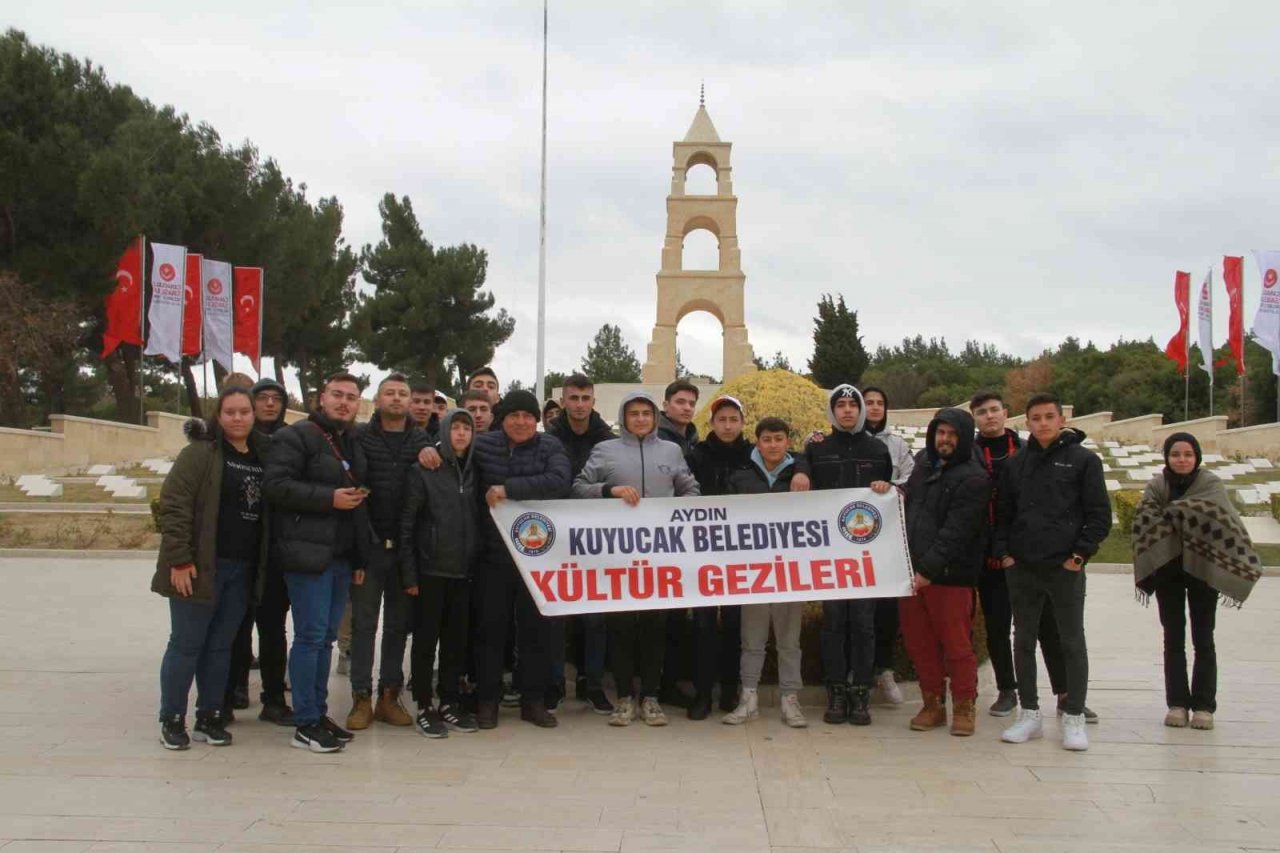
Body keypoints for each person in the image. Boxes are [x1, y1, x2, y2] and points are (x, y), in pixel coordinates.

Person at [573, 391, 700, 727]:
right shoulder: (605, 450)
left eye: (646, 413)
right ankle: (625, 698)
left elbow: (691, 490)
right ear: (624, 418)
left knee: (656, 628)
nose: (641, 419)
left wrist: (675, 510)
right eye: (634, 414)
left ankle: (652, 697)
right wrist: (609, 491)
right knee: (621, 628)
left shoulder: (671, 451)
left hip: (661, 555)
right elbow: (579, 487)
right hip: (618, 557)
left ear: (655, 417)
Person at [264, 371, 373, 753]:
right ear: (321, 398)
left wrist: (359, 557)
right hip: (307, 555)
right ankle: (305, 722)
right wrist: (329, 498)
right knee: (310, 637)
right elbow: (276, 486)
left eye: (351, 397)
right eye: (337, 395)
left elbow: (358, 502)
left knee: (325, 639)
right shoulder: (296, 436)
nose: (344, 402)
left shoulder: (352, 440)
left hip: (341, 556)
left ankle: (319, 713)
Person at [994, 393, 1109, 752]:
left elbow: (1098, 515)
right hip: (1022, 567)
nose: (1042, 423)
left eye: (1049, 417)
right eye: (1036, 418)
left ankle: (1073, 715)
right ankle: (1029, 714)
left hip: (1065, 568)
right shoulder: (1015, 463)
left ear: (1061, 420)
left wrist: (1079, 555)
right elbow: (1004, 515)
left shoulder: (1084, 461)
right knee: (1023, 641)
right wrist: (1005, 555)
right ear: (1027, 423)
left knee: (1071, 641)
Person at [154, 387, 267, 750]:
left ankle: (209, 716)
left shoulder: (262, 455)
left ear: (253, 415)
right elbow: (174, 505)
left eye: (244, 411)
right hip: (200, 567)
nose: (238, 418)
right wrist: (180, 560)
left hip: (241, 569)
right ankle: (172, 719)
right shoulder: (200, 453)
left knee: (220, 647)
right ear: (218, 416)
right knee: (186, 644)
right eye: (230, 412)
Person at [1132, 433, 1262, 731]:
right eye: (1175, 454)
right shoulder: (1156, 486)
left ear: (1197, 457)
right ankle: (1177, 704)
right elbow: (1145, 520)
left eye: (1188, 454)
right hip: (1167, 570)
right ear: (1167, 457)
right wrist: (1184, 514)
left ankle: (1204, 706)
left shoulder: (1211, 485)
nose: (1181, 460)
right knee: (1173, 638)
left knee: (1204, 638)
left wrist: (1175, 512)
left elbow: (1223, 522)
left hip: (1204, 571)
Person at [968, 390, 1075, 720]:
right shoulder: (969, 454)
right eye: (982, 412)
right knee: (998, 627)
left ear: (1006, 413)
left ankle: (1065, 693)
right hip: (989, 555)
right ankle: (1007, 689)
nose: (989, 416)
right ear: (975, 418)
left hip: (1031, 554)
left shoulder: (1030, 451)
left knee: (1046, 626)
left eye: (994, 409)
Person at [471, 389, 572, 728]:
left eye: (528, 416)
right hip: (492, 553)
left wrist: (509, 489)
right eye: (514, 415)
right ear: (503, 418)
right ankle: (487, 701)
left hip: (536, 556)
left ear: (536, 420)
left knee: (536, 631)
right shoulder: (482, 445)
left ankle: (533, 701)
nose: (521, 422)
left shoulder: (550, 446)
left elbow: (559, 481)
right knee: (490, 630)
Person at [804, 384, 893, 727]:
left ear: (860, 410)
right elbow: (804, 484)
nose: (846, 410)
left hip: (865, 554)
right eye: (840, 404)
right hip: (829, 553)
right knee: (834, 623)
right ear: (832, 410)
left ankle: (861, 691)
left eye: (852, 405)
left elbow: (891, 494)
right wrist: (801, 471)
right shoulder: (817, 448)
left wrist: (886, 488)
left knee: (864, 624)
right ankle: (837, 690)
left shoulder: (877, 449)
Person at [347, 374, 431, 730]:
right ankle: (360, 698)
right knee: (364, 625)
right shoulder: (358, 438)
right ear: (378, 400)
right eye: (390, 393)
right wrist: (356, 551)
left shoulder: (422, 441)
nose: (396, 398)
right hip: (369, 548)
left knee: (398, 626)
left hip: (405, 551)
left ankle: (389, 696)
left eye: (402, 394)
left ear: (410, 401)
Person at [900, 408, 990, 737]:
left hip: (950, 577)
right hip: (912, 574)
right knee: (920, 644)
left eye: (952, 434)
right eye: (940, 433)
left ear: (963, 438)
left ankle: (964, 705)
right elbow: (910, 506)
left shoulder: (974, 477)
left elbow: (956, 532)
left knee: (957, 646)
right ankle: (933, 704)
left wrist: (928, 570)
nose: (945, 439)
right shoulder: (923, 464)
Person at [722, 417, 807, 728]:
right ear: (757, 442)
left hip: (790, 570)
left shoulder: (800, 475)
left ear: (788, 442)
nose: (773, 445)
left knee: (789, 642)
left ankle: (790, 699)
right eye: (767, 439)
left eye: (778, 439)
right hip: (753, 571)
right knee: (752, 640)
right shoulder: (741, 476)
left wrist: (803, 470)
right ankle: (748, 699)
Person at [401, 409, 481, 737]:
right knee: (425, 641)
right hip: (430, 569)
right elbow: (407, 524)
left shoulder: (475, 470)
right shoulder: (424, 470)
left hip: (463, 571)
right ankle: (424, 704)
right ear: (445, 431)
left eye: (467, 429)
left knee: (455, 641)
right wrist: (409, 575)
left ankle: (449, 700)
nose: (461, 434)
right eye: (455, 428)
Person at [546, 374, 618, 714]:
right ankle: (555, 683)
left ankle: (593, 685)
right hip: (557, 536)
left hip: (596, 536)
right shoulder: (547, 439)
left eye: (585, 398)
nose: (579, 404)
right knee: (556, 614)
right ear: (563, 402)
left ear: (593, 402)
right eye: (573, 398)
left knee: (595, 616)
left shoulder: (608, 441)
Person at [686, 395, 752, 719]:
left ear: (742, 423)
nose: (727, 426)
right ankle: (703, 694)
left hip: (742, 552)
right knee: (703, 626)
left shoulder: (753, 454)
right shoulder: (696, 455)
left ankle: (729, 691)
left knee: (736, 625)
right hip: (704, 551)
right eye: (722, 420)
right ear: (711, 423)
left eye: (733, 419)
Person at [861, 386, 914, 707]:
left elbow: (911, 479)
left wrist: (889, 488)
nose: (874, 407)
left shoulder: (898, 445)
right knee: (856, 613)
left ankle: (884, 670)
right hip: (851, 539)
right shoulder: (842, 442)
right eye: (868, 402)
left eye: (880, 403)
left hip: (887, 537)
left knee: (885, 610)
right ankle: (859, 674)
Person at [247, 377, 295, 726]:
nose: (269, 404)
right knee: (234, 627)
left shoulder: (292, 440)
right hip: (240, 547)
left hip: (278, 548)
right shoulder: (236, 441)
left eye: (275, 398)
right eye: (262, 398)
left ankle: (274, 697)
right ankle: (231, 690)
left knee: (273, 628)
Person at [655, 379, 700, 707]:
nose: (686, 408)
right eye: (680, 402)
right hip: (657, 539)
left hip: (685, 539)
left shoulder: (693, 440)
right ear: (666, 405)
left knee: (677, 618)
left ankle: (670, 683)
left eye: (691, 403)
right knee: (659, 618)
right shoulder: (657, 439)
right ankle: (655, 685)